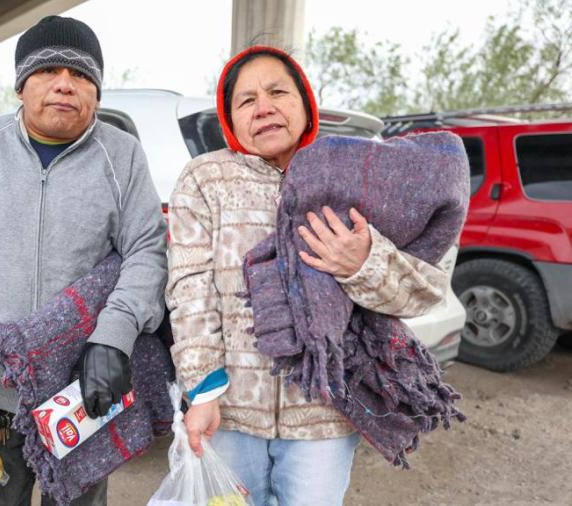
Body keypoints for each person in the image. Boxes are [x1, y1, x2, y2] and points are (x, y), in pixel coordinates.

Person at [0, 15, 168, 506]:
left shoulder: (122, 156)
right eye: (49, 71)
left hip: (79, 391)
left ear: (97, 92)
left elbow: (146, 250)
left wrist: (114, 337)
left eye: (82, 75)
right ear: (21, 85)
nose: (65, 84)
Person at [165, 46, 451, 506]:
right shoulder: (205, 179)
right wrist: (203, 390)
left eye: (278, 91)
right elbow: (190, 289)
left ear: (304, 102)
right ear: (229, 118)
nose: (264, 107)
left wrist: (362, 263)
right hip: (230, 410)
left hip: (323, 413)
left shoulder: (357, 175)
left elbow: (424, 290)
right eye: (246, 100)